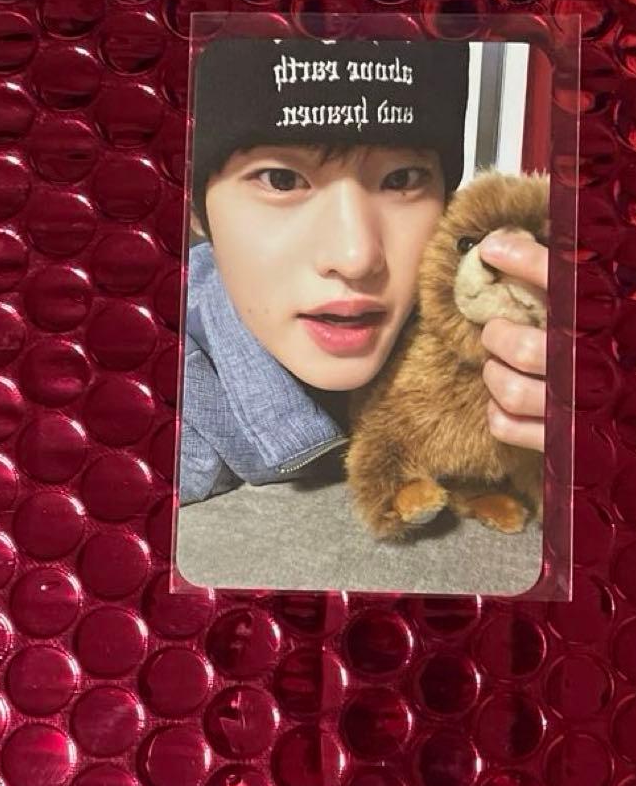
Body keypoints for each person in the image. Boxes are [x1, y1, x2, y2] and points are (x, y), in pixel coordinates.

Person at [179, 36, 548, 506]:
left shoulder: (505, 321)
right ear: (194, 209)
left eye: (401, 179)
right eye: (282, 179)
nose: (356, 257)